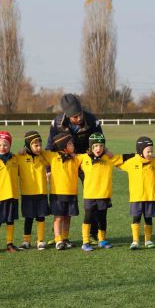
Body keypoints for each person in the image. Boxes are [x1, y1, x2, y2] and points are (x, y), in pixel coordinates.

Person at [46, 93, 103, 243]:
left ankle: (93, 232)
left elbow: (99, 141)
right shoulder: (57, 123)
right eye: (74, 117)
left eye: (80, 115)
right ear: (66, 115)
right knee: (60, 197)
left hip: (85, 162)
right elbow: (50, 147)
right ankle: (58, 236)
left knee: (93, 197)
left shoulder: (92, 120)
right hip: (64, 164)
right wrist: (48, 169)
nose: (78, 119)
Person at [119, 136, 155, 250]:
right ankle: (135, 241)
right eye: (148, 151)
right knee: (136, 218)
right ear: (140, 151)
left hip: (150, 196)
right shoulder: (131, 162)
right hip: (136, 197)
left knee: (148, 218)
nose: (150, 153)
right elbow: (117, 162)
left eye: (152, 151)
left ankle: (148, 240)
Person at [78, 132, 123, 251]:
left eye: (101, 146)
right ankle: (85, 241)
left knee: (102, 218)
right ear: (91, 147)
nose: (98, 149)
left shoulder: (109, 158)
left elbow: (127, 159)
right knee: (88, 218)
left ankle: (102, 240)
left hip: (104, 195)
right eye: (95, 146)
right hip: (89, 195)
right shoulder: (83, 158)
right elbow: (68, 160)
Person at [40, 132, 82, 250]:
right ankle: (58, 239)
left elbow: (88, 157)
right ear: (63, 146)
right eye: (70, 143)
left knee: (68, 217)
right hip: (57, 194)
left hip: (72, 193)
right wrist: (24, 150)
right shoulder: (52, 156)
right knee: (58, 217)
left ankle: (65, 238)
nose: (72, 145)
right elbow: (38, 152)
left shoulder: (76, 158)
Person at [0, 131, 21, 255]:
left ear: (10, 145)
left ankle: (9, 243)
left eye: (5, 144)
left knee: (10, 221)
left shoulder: (15, 159)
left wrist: (23, 151)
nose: (2, 147)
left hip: (13, 195)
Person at [17, 131, 50, 250]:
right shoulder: (20, 157)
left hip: (41, 192)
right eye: (35, 145)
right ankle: (26, 241)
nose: (39, 148)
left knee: (41, 217)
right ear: (27, 145)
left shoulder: (43, 156)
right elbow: (6, 158)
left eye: (40, 144)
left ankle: (40, 240)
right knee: (29, 217)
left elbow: (53, 159)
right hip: (27, 193)